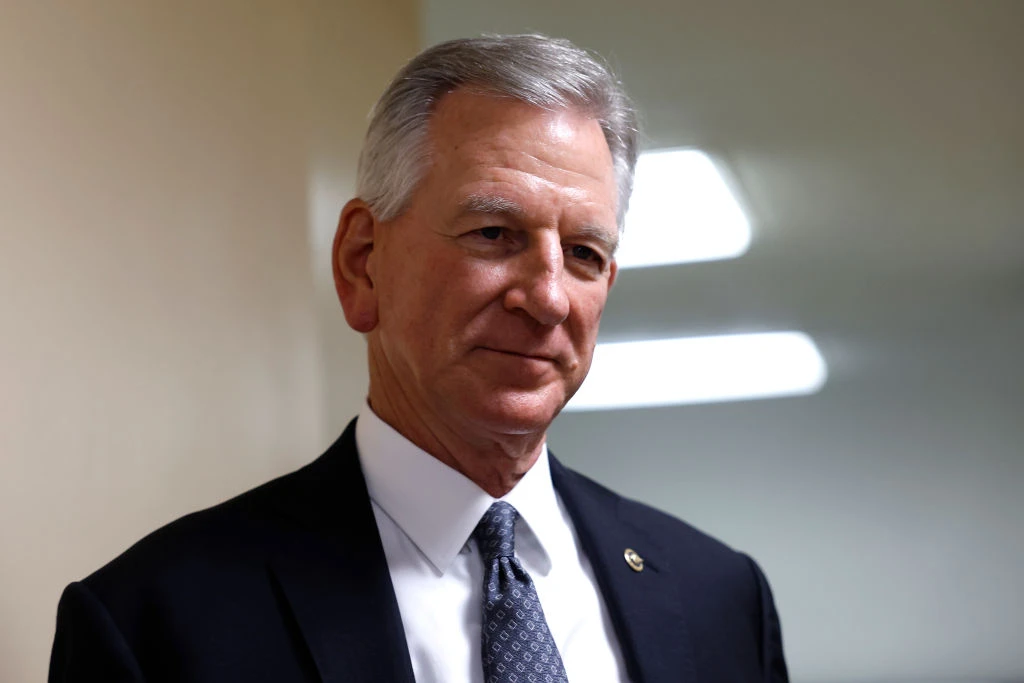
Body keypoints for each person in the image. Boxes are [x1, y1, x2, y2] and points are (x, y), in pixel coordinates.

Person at [50, 34, 788, 682]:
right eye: (495, 233)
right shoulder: (155, 622)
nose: (551, 297)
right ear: (364, 262)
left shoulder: (720, 597)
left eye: (584, 253)